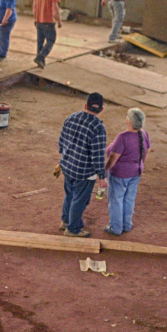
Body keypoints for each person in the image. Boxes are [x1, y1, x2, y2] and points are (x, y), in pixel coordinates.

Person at [58, 92, 107, 237]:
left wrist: (65, 157)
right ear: (101, 109)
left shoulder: (71, 118)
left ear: (85, 105)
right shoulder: (98, 128)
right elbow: (97, 155)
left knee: (69, 195)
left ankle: (65, 221)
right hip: (84, 173)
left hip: (67, 166)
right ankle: (73, 229)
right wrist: (102, 176)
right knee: (79, 200)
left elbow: (61, 143)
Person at [103, 108, 150, 236]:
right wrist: (140, 164)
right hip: (136, 171)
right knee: (129, 198)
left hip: (120, 174)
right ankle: (126, 225)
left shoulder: (123, 137)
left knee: (116, 200)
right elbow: (146, 152)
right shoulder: (143, 134)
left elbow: (113, 158)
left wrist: (105, 172)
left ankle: (116, 228)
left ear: (128, 121)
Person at [32, 0, 62, 69]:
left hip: (39, 21)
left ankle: (40, 62)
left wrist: (36, 18)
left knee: (40, 42)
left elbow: (34, 6)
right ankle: (40, 57)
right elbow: (55, 8)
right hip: (48, 21)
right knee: (51, 40)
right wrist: (59, 21)